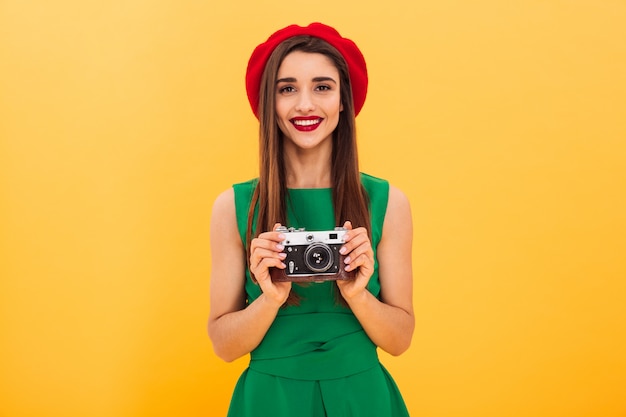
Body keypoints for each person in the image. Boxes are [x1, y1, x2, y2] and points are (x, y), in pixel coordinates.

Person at [208, 22, 414, 416]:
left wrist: (357, 292)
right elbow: (224, 346)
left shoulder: (388, 202)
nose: (305, 105)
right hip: (271, 400)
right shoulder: (233, 206)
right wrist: (270, 298)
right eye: (288, 89)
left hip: (362, 396)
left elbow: (399, 340)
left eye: (322, 87)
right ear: (270, 102)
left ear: (343, 100)